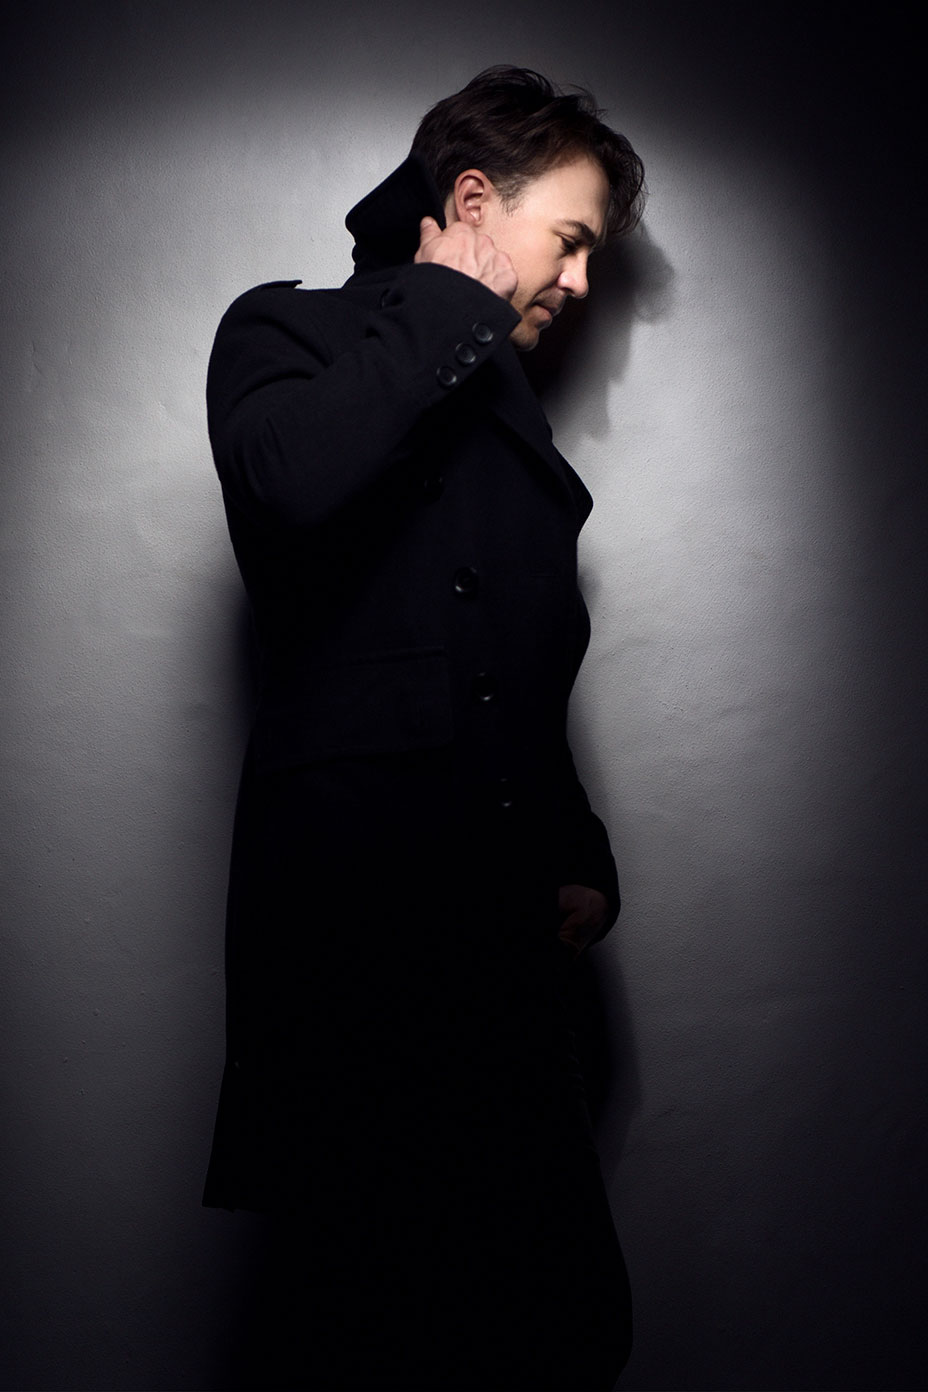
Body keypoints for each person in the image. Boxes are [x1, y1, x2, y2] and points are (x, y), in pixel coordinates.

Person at [204, 66, 645, 1391]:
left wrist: (576, 849)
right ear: (472, 200)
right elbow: (291, 482)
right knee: (367, 1329)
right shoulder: (286, 329)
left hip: (502, 945)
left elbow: (513, 678)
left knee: (557, 1326)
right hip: (354, 934)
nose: (581, 283)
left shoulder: (513, 429)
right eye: (571, 241)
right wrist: (452, 299)